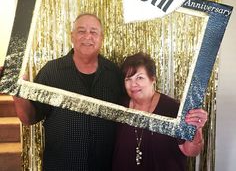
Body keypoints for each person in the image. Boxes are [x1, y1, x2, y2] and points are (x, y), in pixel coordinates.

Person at [11, 13, 124, 171]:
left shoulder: (114, 74)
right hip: (61, 165)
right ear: (72, 36)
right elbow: (30, 118)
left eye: (93, 32)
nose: (87, 36)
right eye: (81, 31)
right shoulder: (51, 71)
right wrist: (17, 90)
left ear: (101, 38)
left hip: (104, 165)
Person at [112, 52, 208, 171]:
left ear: (153, 79)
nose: (133, 84)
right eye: (128, 79)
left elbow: (191, 151)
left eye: (140, 78)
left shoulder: (173, 108)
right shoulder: (119, 106)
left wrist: (197, 128)